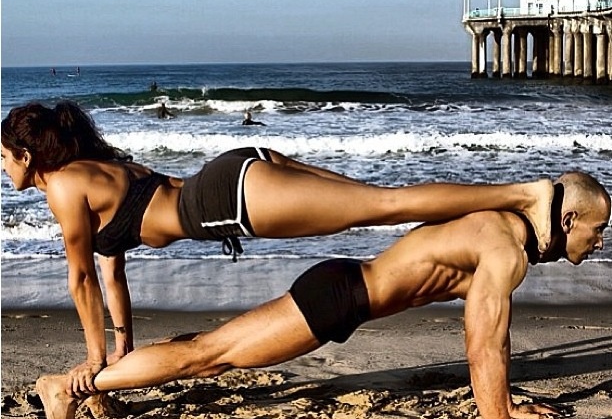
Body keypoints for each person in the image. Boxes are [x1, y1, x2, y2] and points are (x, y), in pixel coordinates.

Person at [2, 101, 555, 397]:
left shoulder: (66, 187)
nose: (4, 168)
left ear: (26, 156)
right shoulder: (94, 171)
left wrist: (95, 360)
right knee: (379, 202)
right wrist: (118, 345)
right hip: (237, 173)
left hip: (230, 200)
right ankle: (489, 218)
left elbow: (80, 281)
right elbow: (110, 274)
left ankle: (523, 193)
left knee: (385, 204)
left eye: (4, 157)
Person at [36, 171, 611, 419]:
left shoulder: (499, 227)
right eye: (599, 228)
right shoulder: (503, 247)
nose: (602, 242)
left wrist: (509, 399)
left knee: (211, 351)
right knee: (207, 357)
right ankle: (69, 387)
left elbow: (493, 343)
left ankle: (92, 383)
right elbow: (484, 346)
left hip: (340, 288)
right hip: (335, 299)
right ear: (566, 221)